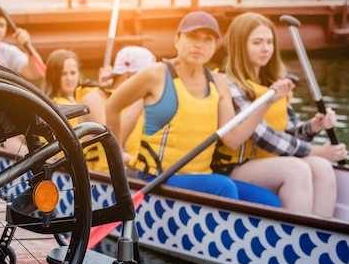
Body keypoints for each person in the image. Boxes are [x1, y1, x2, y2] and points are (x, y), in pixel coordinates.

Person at [105, 11, 293, 206]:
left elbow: (233, 139)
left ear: (214, 46)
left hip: (200, 178)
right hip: (156, 177)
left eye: (207, 39)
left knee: (269, 200)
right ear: (177, 40)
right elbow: (113, 106)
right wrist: (116, 156)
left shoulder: (218, 83)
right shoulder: (156, 74)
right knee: (224, 187)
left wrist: (267, 102)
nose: (199, 45)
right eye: (192, 37)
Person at [213, 11, 347, 217]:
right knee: (296, 169)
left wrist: (313, 126)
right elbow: (264, 136)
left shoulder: (272, 82)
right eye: (257, 43)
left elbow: (289, 131)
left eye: (269, 42)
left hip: (269, 161)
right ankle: (294, 236)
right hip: (235, 166)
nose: (266, 49)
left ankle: (318, 237)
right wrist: (317, 151)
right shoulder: (229, 84)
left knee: (322, 167)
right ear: (240, 46)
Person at [79, 46, 155, 172]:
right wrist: (143, 95)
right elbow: (111, 140)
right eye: (147, 79)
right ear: (128, 75)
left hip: (129, 179)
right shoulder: (92, 98)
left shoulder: (138, 105)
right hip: (97, 182)